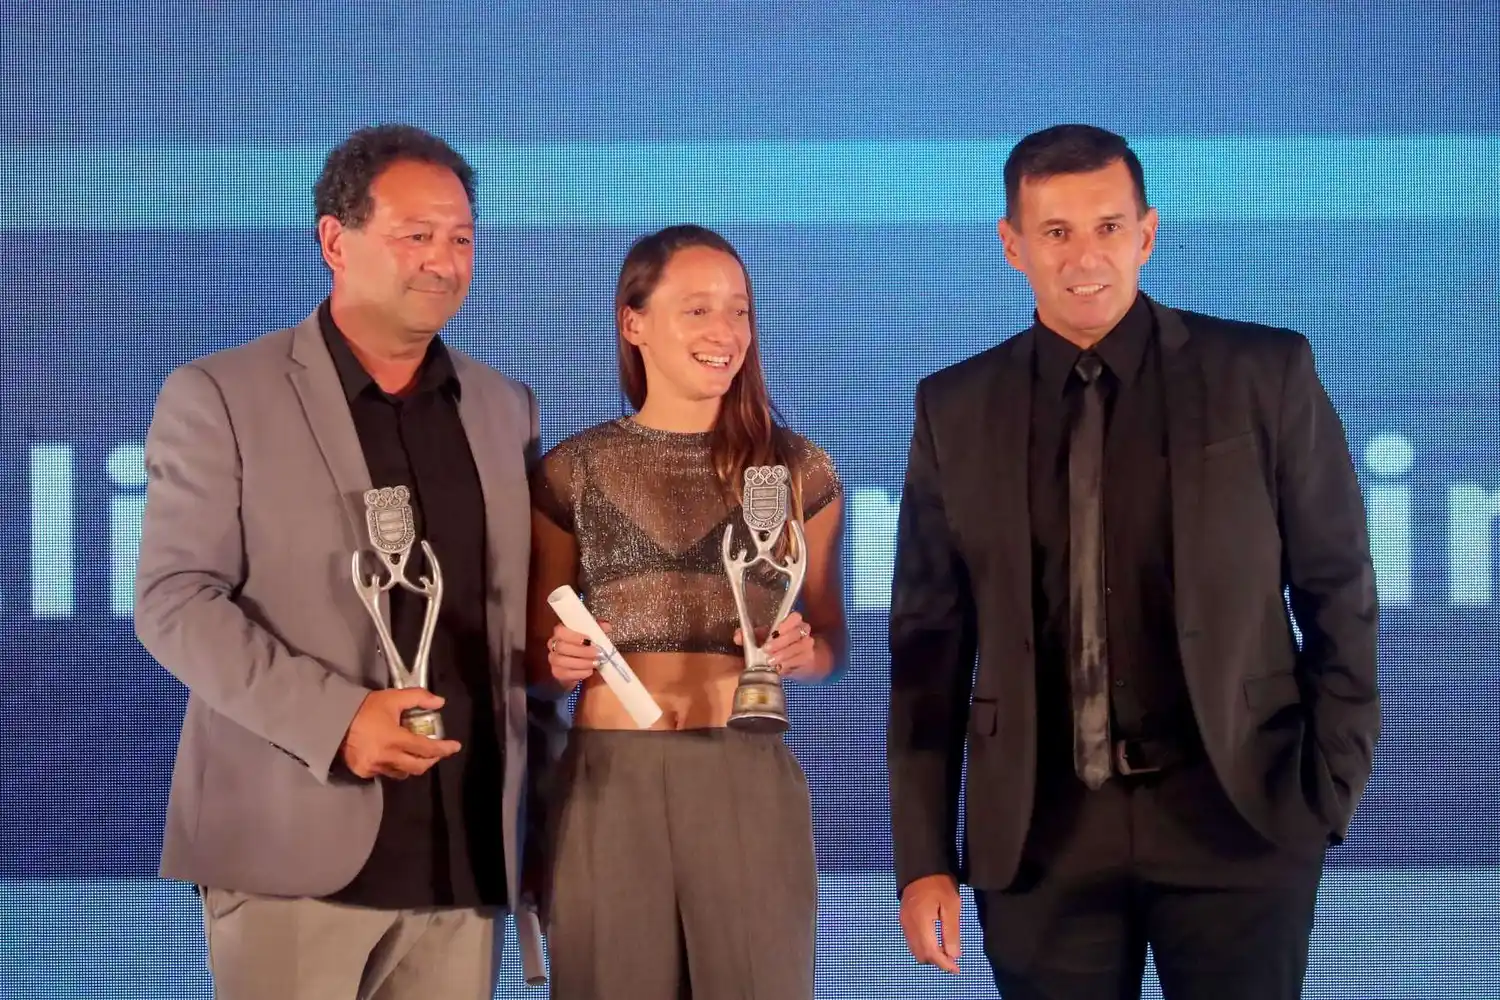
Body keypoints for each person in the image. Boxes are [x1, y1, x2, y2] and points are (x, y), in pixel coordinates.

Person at [887, 123, 1379, 999]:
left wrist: (1325, 789)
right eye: (1056, 232)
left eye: (1109, 227)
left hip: (1240, 820)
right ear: (1012, 246)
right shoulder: (953, 408)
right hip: (1040, 839)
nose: (1085, 257)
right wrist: (923, 856)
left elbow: (1338, 588)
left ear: (1147, 233)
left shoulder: (1262, 373)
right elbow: (929, 648)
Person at [134, 123, 556, 1000]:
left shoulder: (502, 407)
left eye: (462, 237)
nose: (444, 260)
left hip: (466, 859)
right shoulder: (221, 395)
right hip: (296, 851)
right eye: (416, 235)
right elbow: (175, 601)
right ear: (335, 239)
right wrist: (340, 721)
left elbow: (511, 620)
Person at [526, 224, 847, 998]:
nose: (725, 332)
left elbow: (831, 638)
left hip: (742, 771)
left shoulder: (798, 468)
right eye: (698, 309)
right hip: (606, 780)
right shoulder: (572, 471)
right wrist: (552, 660)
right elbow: (534, 662)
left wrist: (809, 653)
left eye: (739, 310)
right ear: (633, 322)